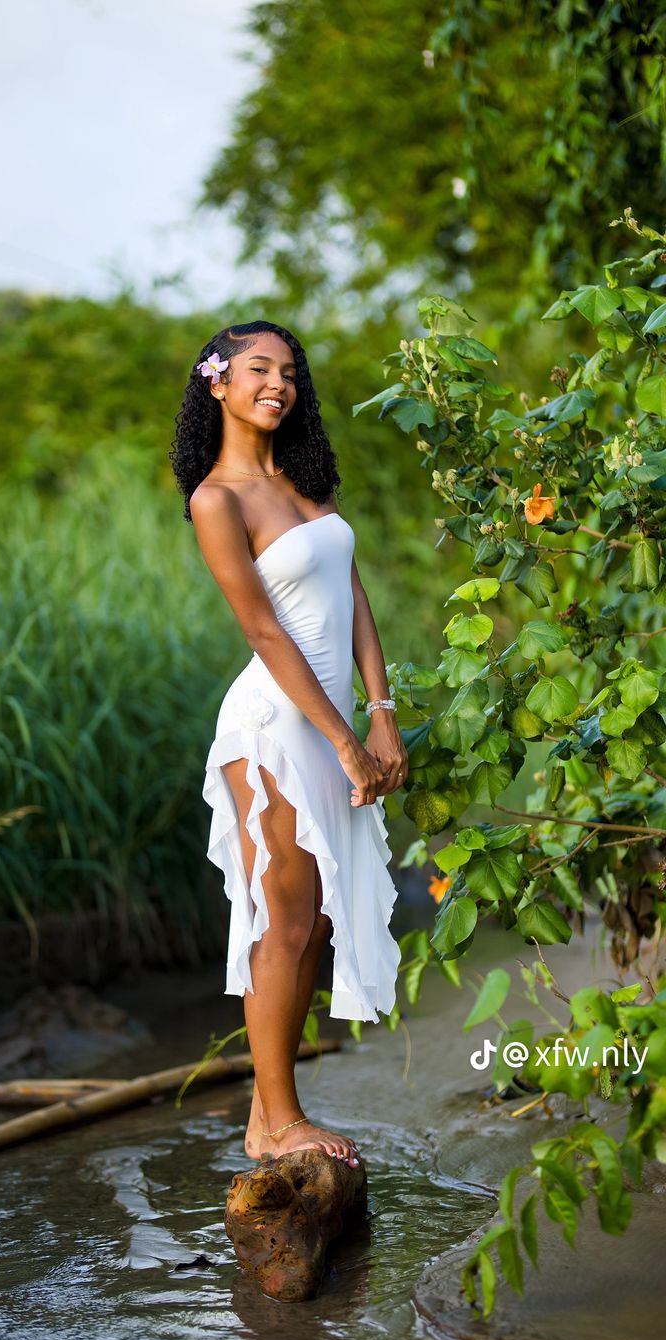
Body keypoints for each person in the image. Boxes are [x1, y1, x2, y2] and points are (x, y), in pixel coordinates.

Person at [171, 321, 409, 1170]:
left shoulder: (306, 485)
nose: (279, 383)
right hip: (273, 727)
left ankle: (269, 1119)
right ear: (218, 383)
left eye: (289, 371)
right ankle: (277, 1119)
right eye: (259, 369)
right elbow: (266, 633)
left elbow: (355, 597)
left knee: (309, 928)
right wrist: (345, 740)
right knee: (285, 919)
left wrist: (382, 712)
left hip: (338, 718)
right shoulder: (217, 499)